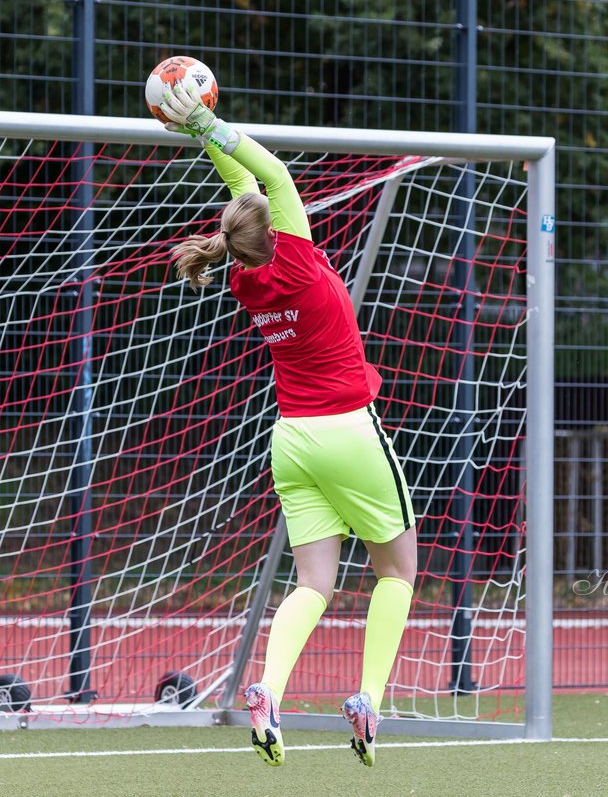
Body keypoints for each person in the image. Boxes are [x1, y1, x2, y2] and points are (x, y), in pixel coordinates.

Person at [159, 80, 417, 768]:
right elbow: (267, 174)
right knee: (398, 570)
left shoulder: (245, 276)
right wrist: (210, 122)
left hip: (292, 441)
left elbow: (246, 187)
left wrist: (200, 137)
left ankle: (270, 691)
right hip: (348, 432)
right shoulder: (294, 258)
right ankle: (368, 698)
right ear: (275, 227)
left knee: (313, 584)